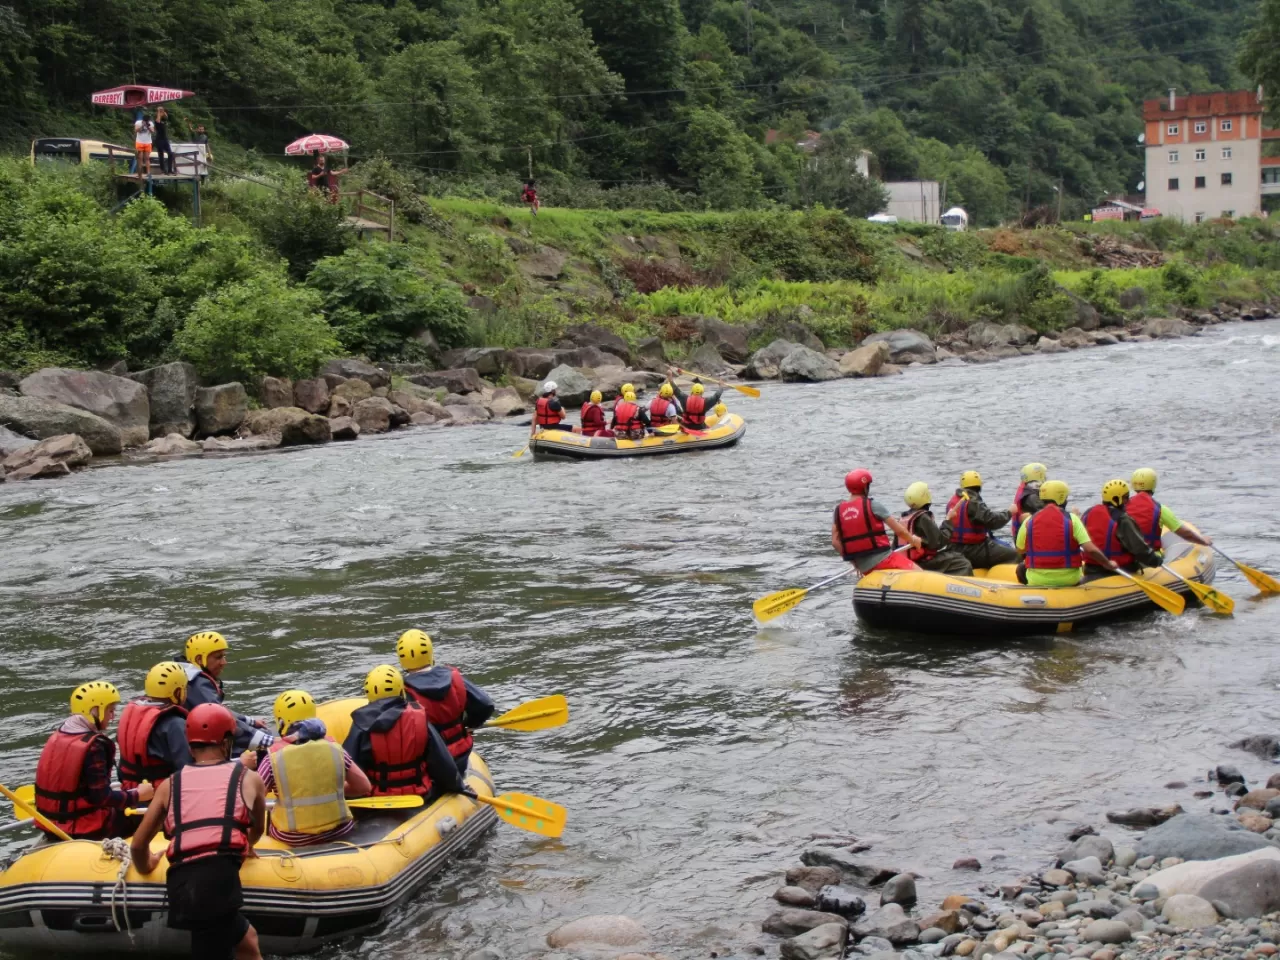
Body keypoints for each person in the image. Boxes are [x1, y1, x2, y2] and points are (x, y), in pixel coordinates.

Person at [130, 704, 267, 960]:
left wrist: (147, 865)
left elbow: (138, 845)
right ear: (227, 742)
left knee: (248, 941)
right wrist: (246, 846)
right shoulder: (249, 778)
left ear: (189, 743)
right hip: (217, 885)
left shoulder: (170, 784)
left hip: (182, 885)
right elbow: (257, 828)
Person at [34, 681, 153, 840]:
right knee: (149, 812)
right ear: (95, 711)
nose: (112, 717)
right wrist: (137, 795)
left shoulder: (59, 735)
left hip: (51, 825)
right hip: (82, 829)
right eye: (110, 711)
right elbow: (102, 797)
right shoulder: (94, 747)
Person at [256, 690, 370, 846]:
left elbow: (254, 800)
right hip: (340, 831)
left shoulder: (273, 758)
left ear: (281, 722)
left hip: (292, 838)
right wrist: (329, 790)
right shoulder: (335, 749)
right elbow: (363, 787)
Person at [343, 666, 467, 799]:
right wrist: (457, 786)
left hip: (376, 797)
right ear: (400, 689)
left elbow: (348, 765)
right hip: (419, 793)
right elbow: (442, 762)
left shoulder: (360, 724)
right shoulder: (418, 718)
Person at [397, 629, 495, 776]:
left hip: (432, 764)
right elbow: (485, 705)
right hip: (461, 755)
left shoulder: (402, 692)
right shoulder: (452, 676)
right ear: (430, 653)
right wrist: (468, 725)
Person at [182, 631, 273, 754]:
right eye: (218, 657)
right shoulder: (197, 684)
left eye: (224, 656)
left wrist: (249, 721)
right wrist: (266, 740)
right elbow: (221, 718)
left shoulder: (186, 676)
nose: (224, 662)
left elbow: (221, 710)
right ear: (199, 659)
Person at [1015, 480, 1118, 587]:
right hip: (1069, 580)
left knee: (1021, 568)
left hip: (1037, 580)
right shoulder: (1072, 519)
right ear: (1061, 498)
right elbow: (1090, 549)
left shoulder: (1029, 521)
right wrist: (1107, 563)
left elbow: (1020, 549)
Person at [117, 661, 193, 792]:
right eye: (184, 688)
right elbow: (187, 769)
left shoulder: (129, 714)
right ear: (177, 693)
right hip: (160, 795)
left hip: (131, 791)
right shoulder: (175, 724)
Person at [831, 469, 922, 574]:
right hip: (885, 559)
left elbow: (835, 542)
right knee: (920, 573)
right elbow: (900, 531)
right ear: (865, 487)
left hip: (864, 567)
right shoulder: (873, 505)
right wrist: (913, 540)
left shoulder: (838, 511)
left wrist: (855, 563)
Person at [1081, 479, 1164, 575]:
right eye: (1126, 497)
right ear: (1116, 499)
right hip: (1119, 570)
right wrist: (1157, 561)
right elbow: (1139, 549)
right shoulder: (1122, 519)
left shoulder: (1088, 513)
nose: (1128, 501)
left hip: (1091, 569)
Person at [1126, 468, 1214, 554]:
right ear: (1153, 484)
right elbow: (1185, 533)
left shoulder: (1123, 507)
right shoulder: (1160, 509)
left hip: (1127, 557)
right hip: (1151, 558)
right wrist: (1203, 541)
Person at [946, 471, 1020, 570]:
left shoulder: (953, 500)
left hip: (953, 548)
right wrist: (1009, 512)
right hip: (972, 548)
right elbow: (993, 521)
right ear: (979, 486)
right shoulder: (973, 502)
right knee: (1015, 555)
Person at [897, 482, 974, 575]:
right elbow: (939, 542)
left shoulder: (904, 517)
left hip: (910, 560)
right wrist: (949, 520)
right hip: (923, 562)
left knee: (955, 554)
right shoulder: (923, 518)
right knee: (963, 563)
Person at [1010, 463, 1048, 539]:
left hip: (1020, 534)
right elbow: (1049, 513)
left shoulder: (1025, 490)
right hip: (1025, 538)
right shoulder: (1031, 497)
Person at [154, 106, 174, 174]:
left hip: (165, 139)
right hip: (159, 140)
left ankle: (170, 170)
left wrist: (163, 110)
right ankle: (163, 169)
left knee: (170, 153)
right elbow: (158, 120)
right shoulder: (157, 121)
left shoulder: (164, 120)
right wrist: (159, 112)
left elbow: (166, 116)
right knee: (161, 155)